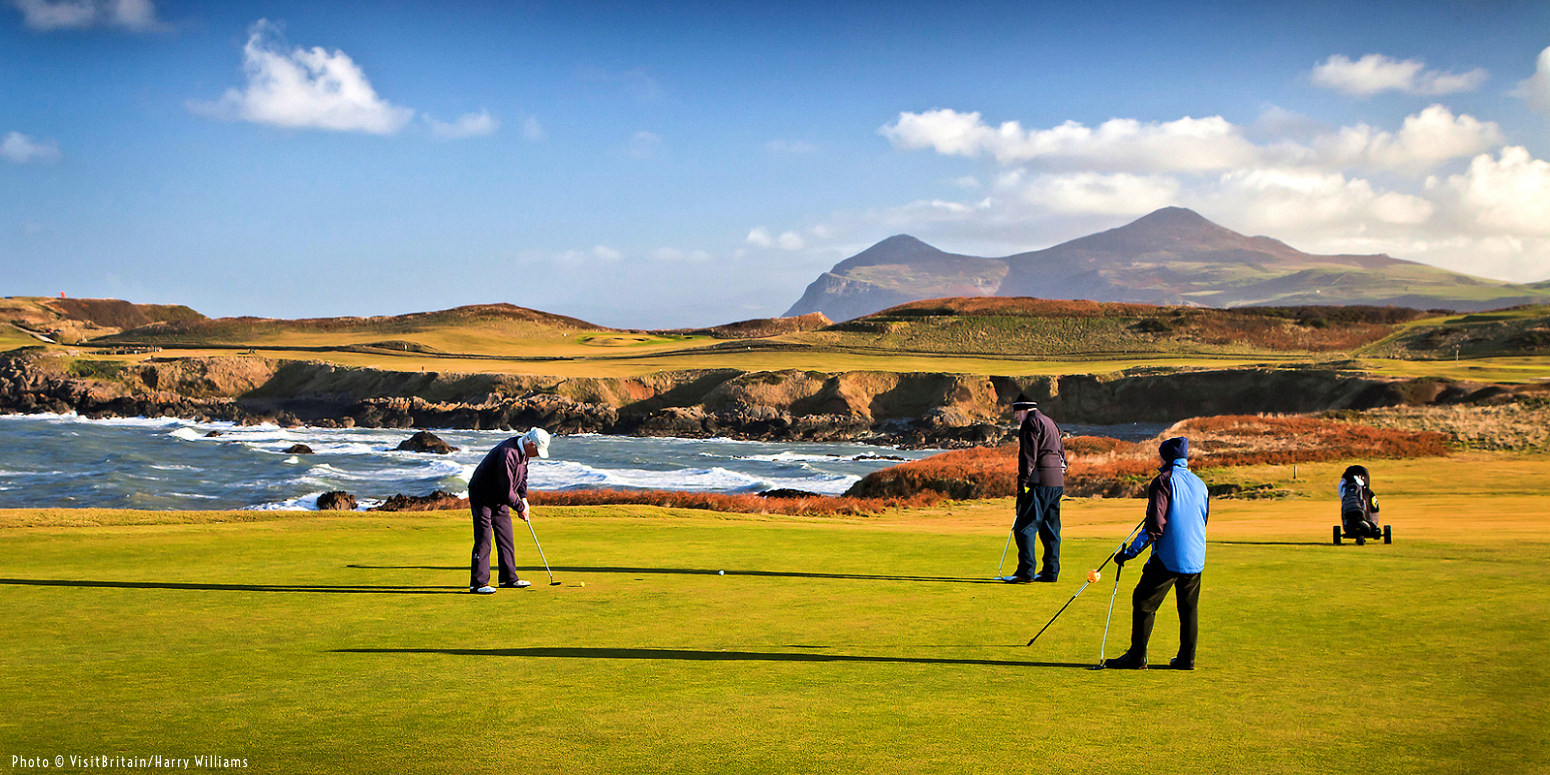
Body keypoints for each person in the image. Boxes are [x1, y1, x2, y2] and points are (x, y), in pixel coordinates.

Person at [1106, 436, 1209, 670]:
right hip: (1195, 556)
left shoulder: (1162, 481)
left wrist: (1130, 553)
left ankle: (1137, 657)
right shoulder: (1199, 483)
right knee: (1188, 609)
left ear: (1166, 457)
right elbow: (1203, 519)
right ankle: (1186, 659)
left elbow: (1155, 526)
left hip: (1169, 557)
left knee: (1143, 601)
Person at [466, 427, 551, 594]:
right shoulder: (508, 454)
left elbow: (522, 477)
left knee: (506, 535)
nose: (537, 455)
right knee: (484, 537)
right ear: (531, 444)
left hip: (499, 496)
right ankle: (478, 583)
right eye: (537, 451)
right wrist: (520, 508)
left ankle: (508, 578)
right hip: (482, 495)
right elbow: (505, 490)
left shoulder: (524, 453)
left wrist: (524, 499)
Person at [1003, 393, 1066, 583]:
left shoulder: (1030, 423)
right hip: (1057, 482)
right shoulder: (1050, 422)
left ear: (1023, 410)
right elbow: (1061, 453)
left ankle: (1025, 572)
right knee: (1050, 528)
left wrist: (1022, 484)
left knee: (1024, 527)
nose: (1015, 417)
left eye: (1016, 412)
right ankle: (1050, 571)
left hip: (1041, 481)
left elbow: (1028, 456)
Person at [1338, 464, 1382, 539]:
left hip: (1349, 522)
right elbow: (1374, 508)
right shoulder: (1366, 491)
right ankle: (1365, 522)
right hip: (1366, 520)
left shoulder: (1344, 486)